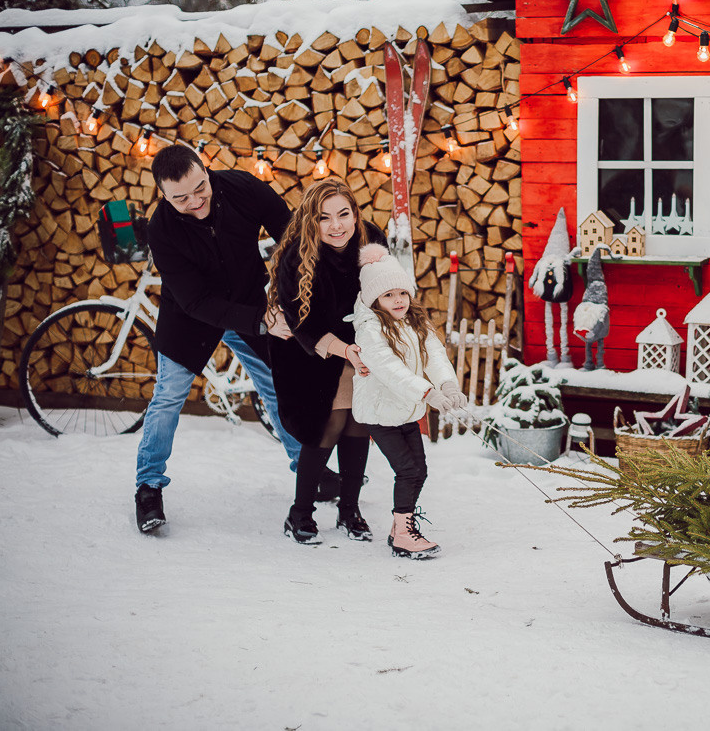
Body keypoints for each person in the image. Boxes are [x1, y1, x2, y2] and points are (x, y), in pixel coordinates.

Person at [133, 145, 304, 534]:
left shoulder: (241, 185)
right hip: (191, 316)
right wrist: (262, 320)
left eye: (200, 188)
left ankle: (307, 469)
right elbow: (194, 299)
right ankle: (148, 487)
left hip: (247, 299)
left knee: (280, 385)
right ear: (164, 194)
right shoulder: (162, 229)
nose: (195, 202)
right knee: (168, 398)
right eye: (180, 198)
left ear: (206, 172)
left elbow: (289, 230)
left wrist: (299, 277)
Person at [268, 178, 385, 545]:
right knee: (328, 425)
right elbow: (303, 324)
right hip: (311, 352)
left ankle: (349, 509)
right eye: (324, 218)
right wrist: (345, 350)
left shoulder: (371, 240)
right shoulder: (296, 257)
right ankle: (300, 512)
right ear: (310, 221)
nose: (336, 226)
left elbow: (390, 289)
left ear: (355, 213)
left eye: (343, 214)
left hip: (361, 346)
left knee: (358, 423)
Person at [352, 242, 467, 559]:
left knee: (420, 469)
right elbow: (389, 370)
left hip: (405, 410)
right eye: (388, 295)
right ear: (375, 299)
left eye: (401, 292)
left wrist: (447, 384)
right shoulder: (370, 329)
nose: (397, 300)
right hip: (379, 411)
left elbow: (435, 354)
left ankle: (400, 525)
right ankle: (403, 534)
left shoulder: (415, 320)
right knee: (407, 469)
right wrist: (428, 393)